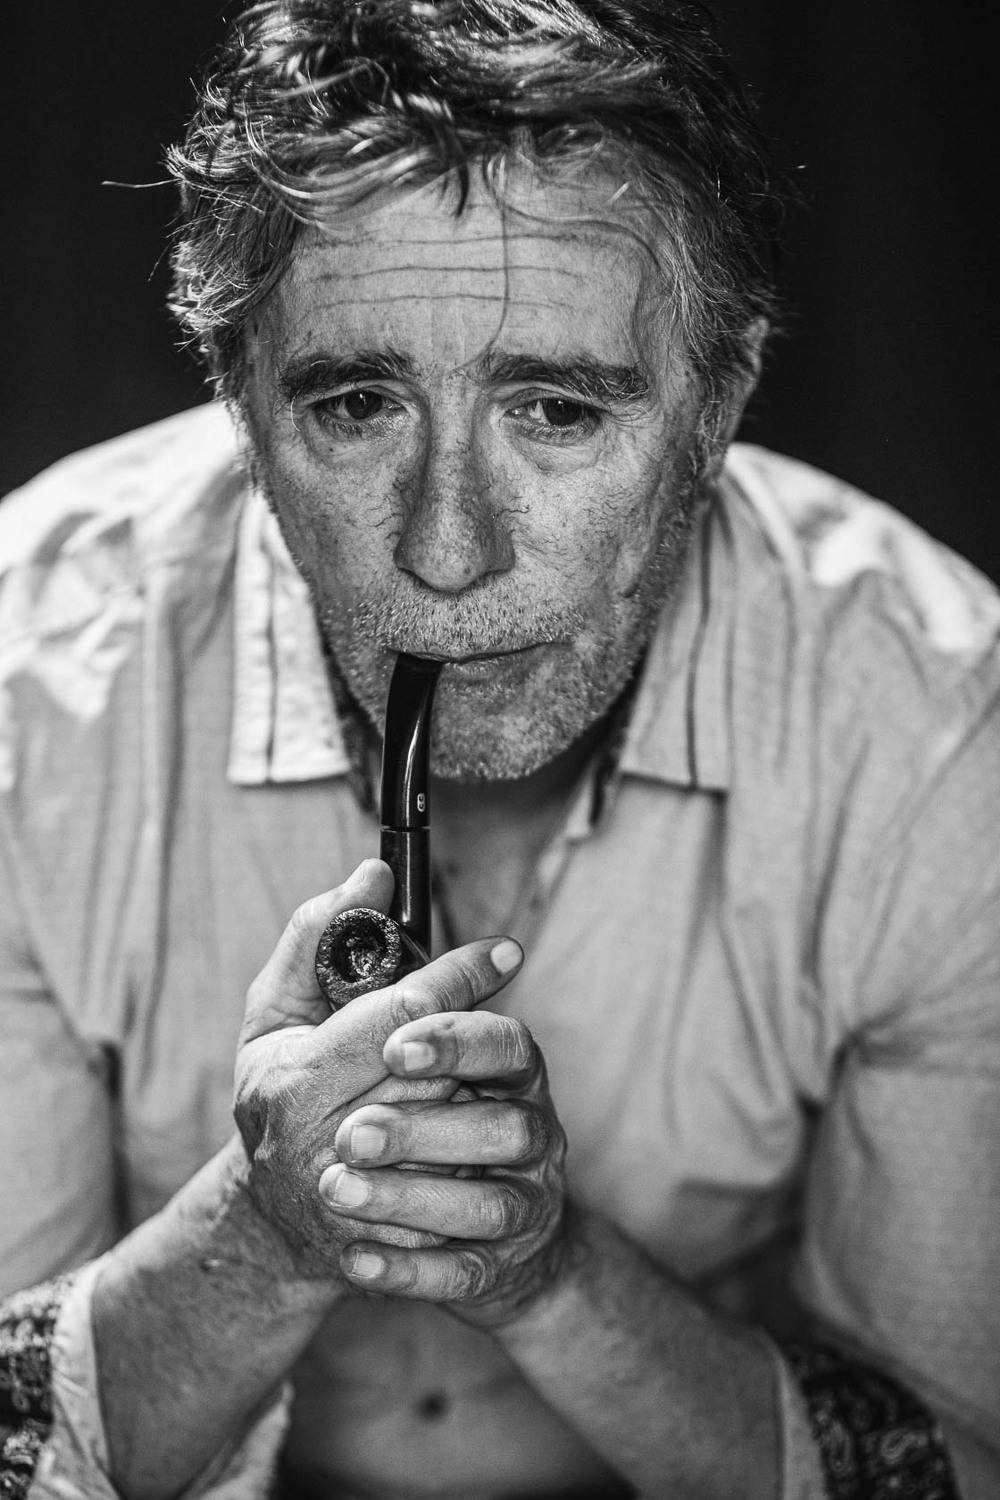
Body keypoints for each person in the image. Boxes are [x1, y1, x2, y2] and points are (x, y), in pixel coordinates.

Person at [1, 1, 997, 1497]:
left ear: (718, 401)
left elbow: (957, 1463)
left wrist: (546, 1270)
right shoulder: (28, 697)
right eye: (356, 404)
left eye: (557, 409)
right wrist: (267, 1230)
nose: (449, 552)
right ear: (241, 405)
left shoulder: (933, 733)